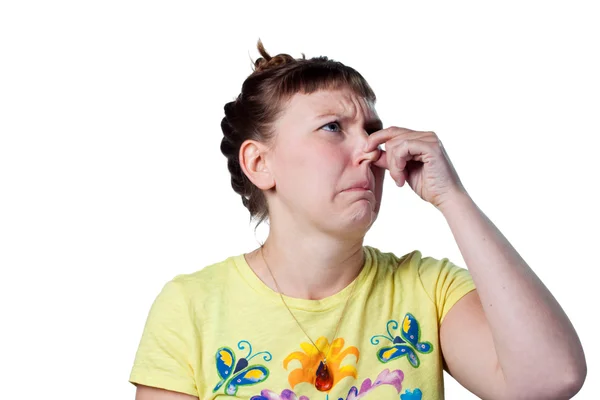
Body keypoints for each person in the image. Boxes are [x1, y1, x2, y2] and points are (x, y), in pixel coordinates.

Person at [129, 40, 587, 400]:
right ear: (260, 163)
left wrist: (454, 198)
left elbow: (550, 380)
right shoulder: (190, 308)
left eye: (371, 129)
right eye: (333, 127)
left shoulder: (428, 290)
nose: (370, 149)